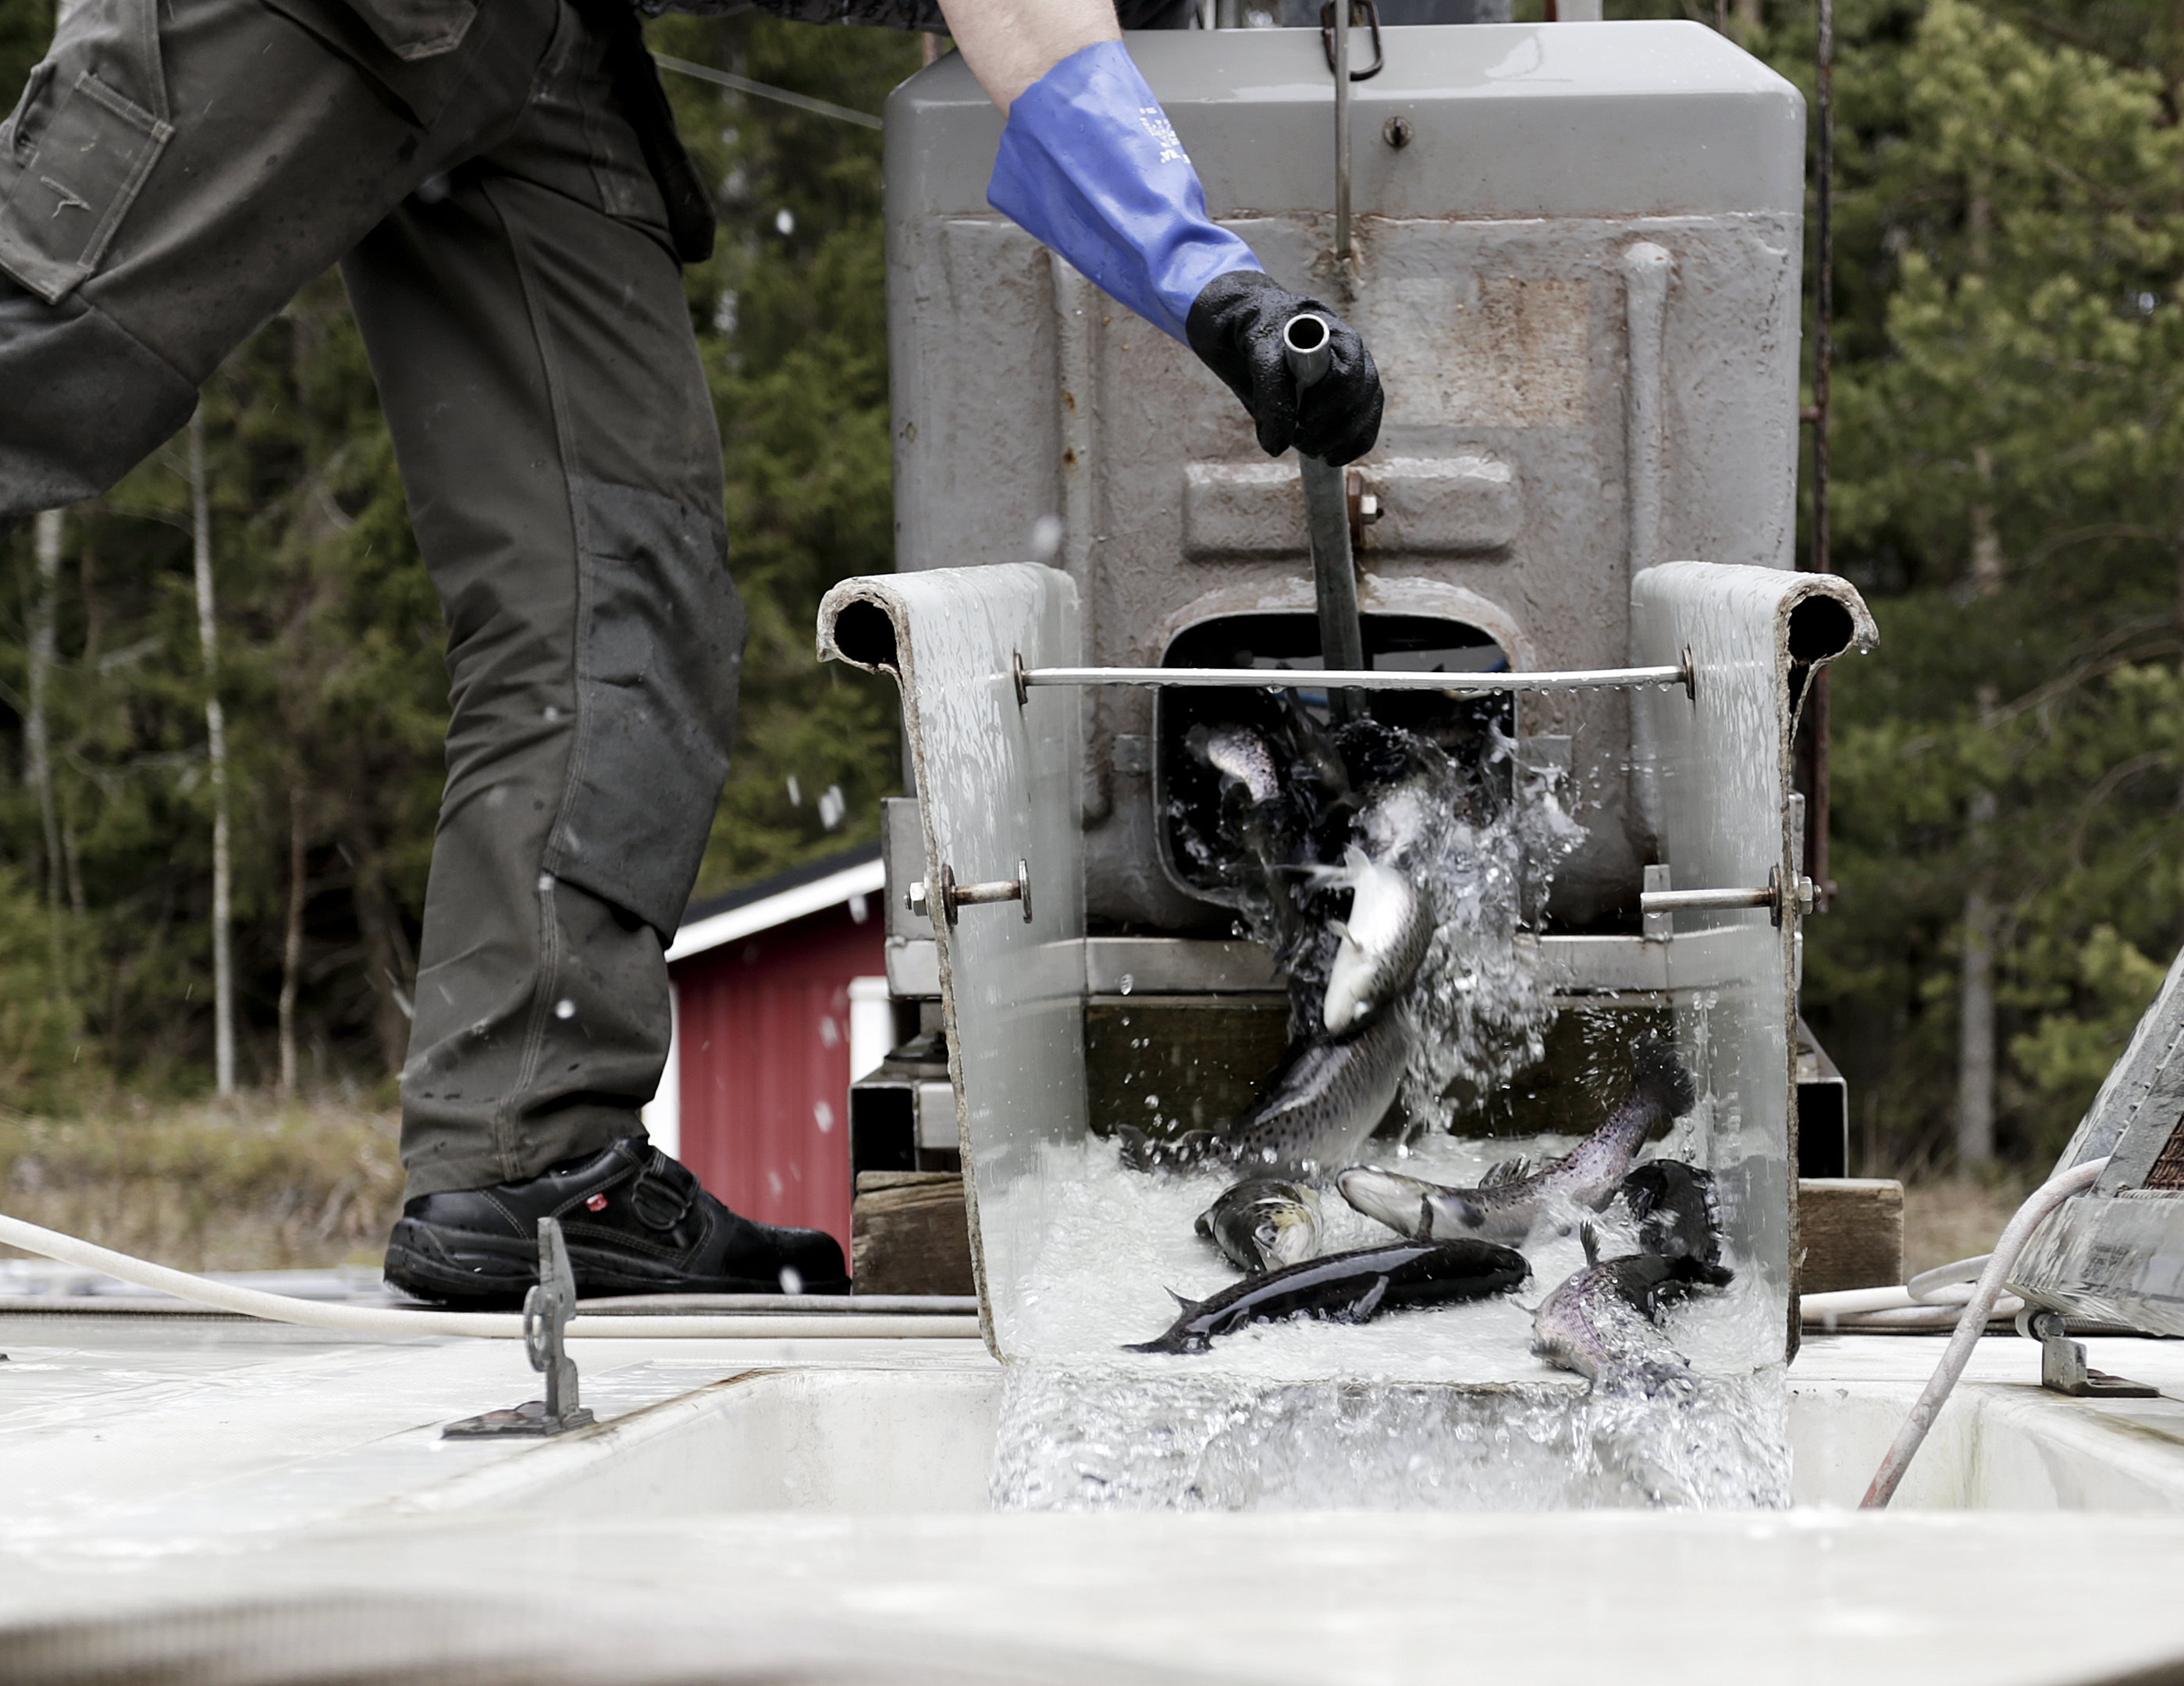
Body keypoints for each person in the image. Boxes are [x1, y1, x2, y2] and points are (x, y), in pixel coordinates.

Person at [0, 0, 1385, 1304]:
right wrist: (1218, 290)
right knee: (43, 349)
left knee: (619, 582)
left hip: (544, 37)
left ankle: (531, 1157)